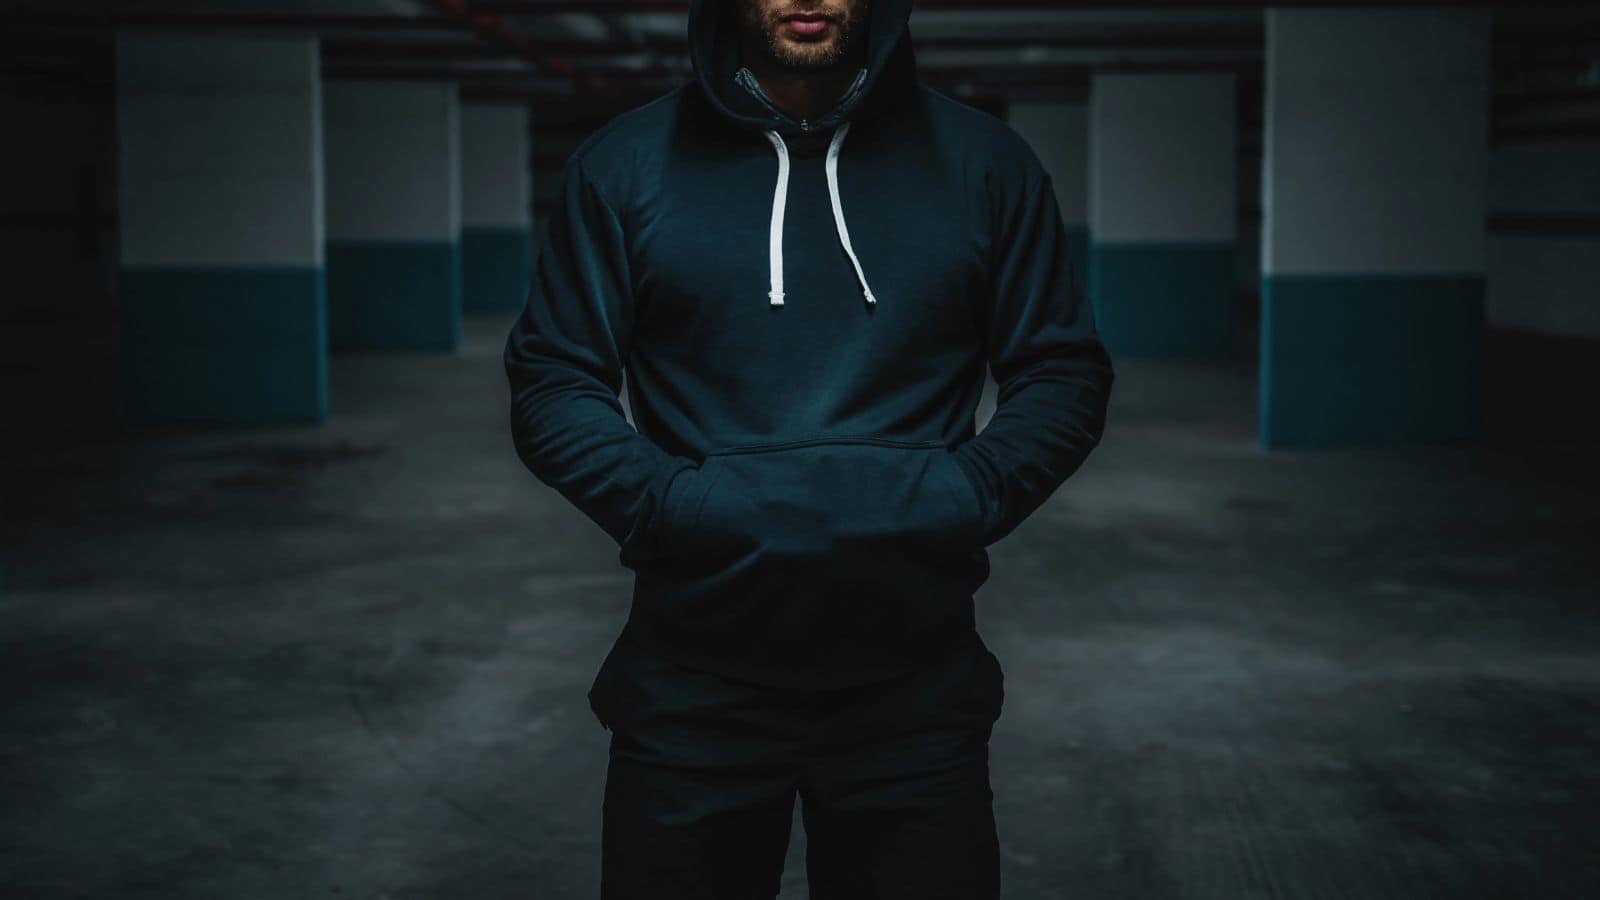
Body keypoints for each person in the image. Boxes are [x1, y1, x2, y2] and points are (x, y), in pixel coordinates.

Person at [503, 0, 1113, 895]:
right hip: (691, 678)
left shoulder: (988, 164)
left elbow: (1062, 371)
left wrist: (966, 493)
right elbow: (554, 381)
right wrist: (679, 506)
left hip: (917, 679)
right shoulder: (623, 165)